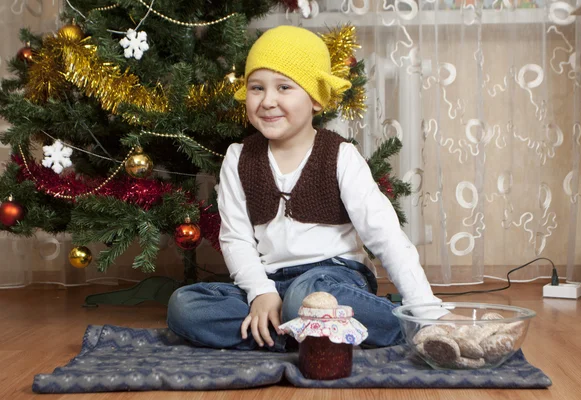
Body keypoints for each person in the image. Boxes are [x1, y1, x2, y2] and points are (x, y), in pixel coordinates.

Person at [167, 25, 446, 352]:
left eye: (284, 87)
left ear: (315, 98)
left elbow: (385, 235)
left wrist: (424, 308)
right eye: (257, 88)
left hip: (333, 279)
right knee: (185, 305)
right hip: (272, 283)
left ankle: (400, 325)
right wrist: (260, 291)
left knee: (305, 296)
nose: (267, 100)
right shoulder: (238, 158)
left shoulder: (340, 156)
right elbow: (236, 238)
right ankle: (308, 333)